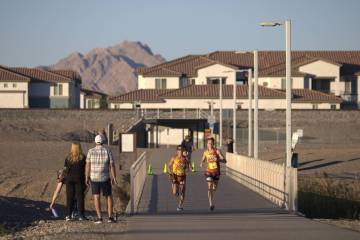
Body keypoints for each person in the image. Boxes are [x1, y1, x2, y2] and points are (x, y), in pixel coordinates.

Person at [86, 135, 118, 224]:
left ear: (95, 142)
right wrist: (114, 177)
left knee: (96, 196)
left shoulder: (90, 151)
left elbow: (88, 165)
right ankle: (110, 218)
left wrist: (86, 177)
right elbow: (112, 165)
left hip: (94, 177)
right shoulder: (107, 150)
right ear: (103, 141)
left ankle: (99, 218)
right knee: (108, 196)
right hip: (105, 177)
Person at [200, 137, 226, 211]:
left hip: (216, 172)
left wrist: (218, 159)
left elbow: (224, 161)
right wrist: (201, 163)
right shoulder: (205, 152)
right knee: (209, 187)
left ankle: (214, 187)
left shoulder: (217, 151)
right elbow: (203, 158)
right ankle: (211, 204)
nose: (210, 144)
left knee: (214, 188)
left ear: (213, 144)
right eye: (209, 143)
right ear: (207, 144)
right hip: (209, 172)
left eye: (211, 143)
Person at [64, 142, 87, 221]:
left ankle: (68, 215)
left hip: (69, 179)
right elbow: (85, 169)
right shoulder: (83, 157)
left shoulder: (68, 158)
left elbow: (65, 169)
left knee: (69, 197)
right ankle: (81, 215)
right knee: (80, 197)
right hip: (79, 179)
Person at [168, 145, 192, 211]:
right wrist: (170, 172)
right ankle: (174, 188)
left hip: (182, 177)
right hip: (175, 176)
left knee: (182, 192)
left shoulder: (185, 158)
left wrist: (188, 168)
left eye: (181, 150)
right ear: (177, 151)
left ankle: (180, 206)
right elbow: (169, 166)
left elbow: (190, 168)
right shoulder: (174, 158)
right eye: (179, 150)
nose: (180, 152)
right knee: (174, 193)